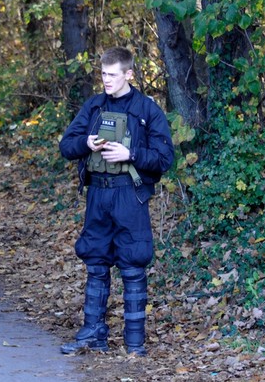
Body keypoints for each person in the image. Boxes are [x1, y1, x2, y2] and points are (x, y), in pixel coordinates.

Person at [58, 46, 174, 356]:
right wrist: (86, 142)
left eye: (111, 75)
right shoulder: (94, 106)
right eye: (103, 74)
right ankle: (94, 332)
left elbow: (165, 159)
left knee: (133, 262)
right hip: (98, 194)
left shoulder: (147, 110)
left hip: (129, 195)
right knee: (95, 260)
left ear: (129, 74)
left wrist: (131, 154)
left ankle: (134, 342)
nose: (106, 80)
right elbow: (66, 146)